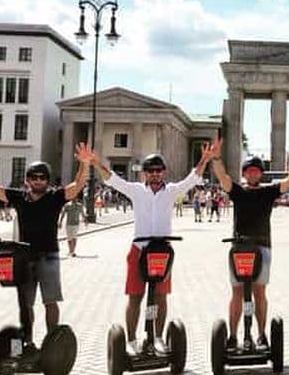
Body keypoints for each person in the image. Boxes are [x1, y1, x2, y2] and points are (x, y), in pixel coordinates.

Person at [89, 147, 214, 357]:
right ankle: (130, 340)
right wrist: (94, 162)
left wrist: (205, 159)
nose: (154, 174)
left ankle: (157, 338)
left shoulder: (172, 190)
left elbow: (193, 178)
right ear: (144, 173)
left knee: (160, 296)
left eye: (158, 170)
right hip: (139, 250)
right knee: (135, 297)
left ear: (163, 172)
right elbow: (112, 179)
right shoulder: (136, 190)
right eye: (150, 170)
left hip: (162, 253)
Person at [0, 143, 91, 352]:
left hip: (49, 256)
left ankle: (52, 345)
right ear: (27, 180)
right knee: (26, 304)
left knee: (50, 301)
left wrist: (84, 164)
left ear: (47, 180)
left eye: (42, 177)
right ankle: (27, 343)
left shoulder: (55, 197)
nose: (38, 181)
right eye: (34, 177)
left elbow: (78, 185)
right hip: (24, 257)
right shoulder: (19, 197)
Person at [209, 139, 289, 350]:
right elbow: (223, 178)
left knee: (259, 292)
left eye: (256, 171)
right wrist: (216, 157)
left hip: (262, 247)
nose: (253, 174)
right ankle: (233, 336)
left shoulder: (268, 192)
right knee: (236, 292)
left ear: (260, 174)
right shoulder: (237, 191)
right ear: (245, 174)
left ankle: (262, 335)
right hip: (239, 248)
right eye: (249, 171)